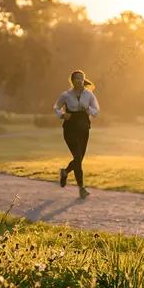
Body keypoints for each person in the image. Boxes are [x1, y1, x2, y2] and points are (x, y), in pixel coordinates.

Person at [53, 70, 100, 198]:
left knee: (79, 159)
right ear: (72, 81)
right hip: (70, 128)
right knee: (78, 157)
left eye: (82, 78)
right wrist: (62, 114)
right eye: (77, 78)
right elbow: (56, 107)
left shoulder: (89, 95)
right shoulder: (66, 95)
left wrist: (87, 109)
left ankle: (65, 171)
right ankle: (81, 188)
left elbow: (96, 111)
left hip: (84, 127)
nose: (80, 80)